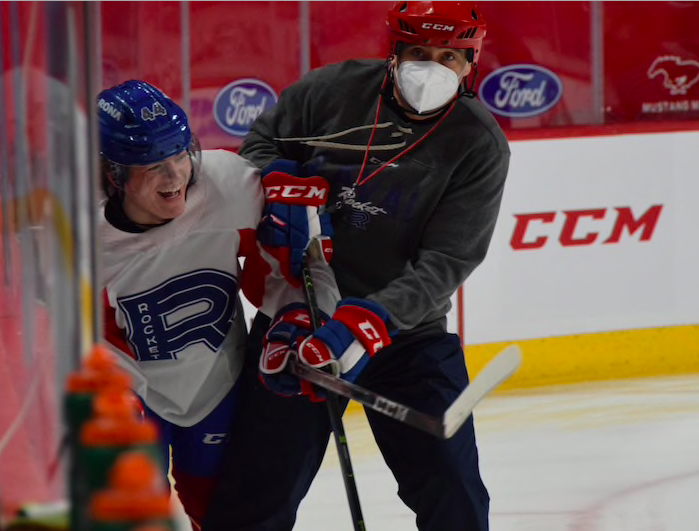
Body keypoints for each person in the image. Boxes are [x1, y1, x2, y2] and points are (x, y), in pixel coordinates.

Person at [205, 2, 510, 531]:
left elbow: (446, 262)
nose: (431, 67)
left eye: (449, 57)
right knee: (255, 496)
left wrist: (370, 320)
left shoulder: (479, 145)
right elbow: (258, 146)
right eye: (417, 52)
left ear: (470, 65)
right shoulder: (331, 89)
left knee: (454, 494)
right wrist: (273, 180)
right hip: (298, 320)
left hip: (405, 334)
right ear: (393, 53)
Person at [97, 80, 338, 530]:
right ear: (114, 174)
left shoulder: (229, 188)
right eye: (152, 166)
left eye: (180, 156)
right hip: (124, 389)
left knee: (221, 514)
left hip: (213, 385)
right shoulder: (72, 228)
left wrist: (302, 314)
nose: (174, 179)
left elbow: (299, 267)